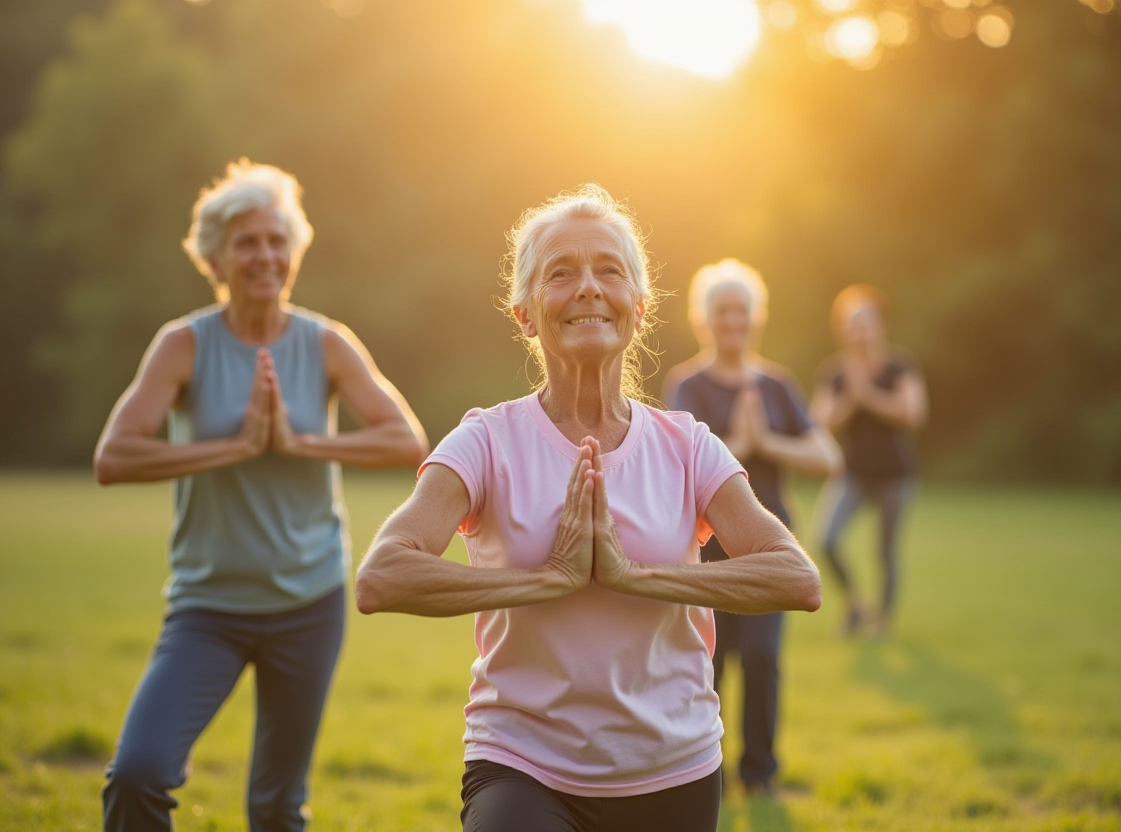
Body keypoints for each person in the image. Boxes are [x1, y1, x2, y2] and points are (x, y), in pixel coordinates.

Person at [355, 186, 821, 832]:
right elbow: (381, 577)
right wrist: (546, 580)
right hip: (521, 763)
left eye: (608, 270)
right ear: (524, 313)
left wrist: (634, 576)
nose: (587, 288)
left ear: (638, 307)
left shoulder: (686, 446)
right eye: (561, 273)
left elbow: (796, 578)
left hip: (673, 766)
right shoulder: (486, 440)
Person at [94, 159, 429, 832]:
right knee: (138, 773)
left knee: (277, 807)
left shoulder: (327, 343)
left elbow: (407, 441)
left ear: (295, 251)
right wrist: (235, 448)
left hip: (309, 601)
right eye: (247, 241)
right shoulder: (182, 346)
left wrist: (299, 443)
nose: (265, 255)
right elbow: (114, 457)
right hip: (207, 606)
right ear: (216, 256)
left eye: (278, 240)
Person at [662, 258, 840, 796]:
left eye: (742, 310)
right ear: (704, 320)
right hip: (706, 547)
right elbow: (679, 463)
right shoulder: (687, 386)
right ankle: (701, 774)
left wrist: (766, 443)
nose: (733, 321)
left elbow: (826, 457)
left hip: (767, 546)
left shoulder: (778, 385)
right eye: (722, 311)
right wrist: (738, 445)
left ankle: (759, 774)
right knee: (707, 663)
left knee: (762, 657)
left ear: (756, 317)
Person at [810, 284, 927, 638]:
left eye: (866, 322)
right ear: (841, 329)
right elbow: (820, 422)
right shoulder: (835, 372)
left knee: (885, 551)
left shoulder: (900, 366)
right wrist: (852, 398)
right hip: (853, 475)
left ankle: (883, 622)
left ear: (880, 325)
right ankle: (855, 604)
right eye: (851, 323)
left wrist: (869, 395)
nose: (859, 330)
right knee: (826, 540)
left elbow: (914, 413)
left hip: (896, 475)